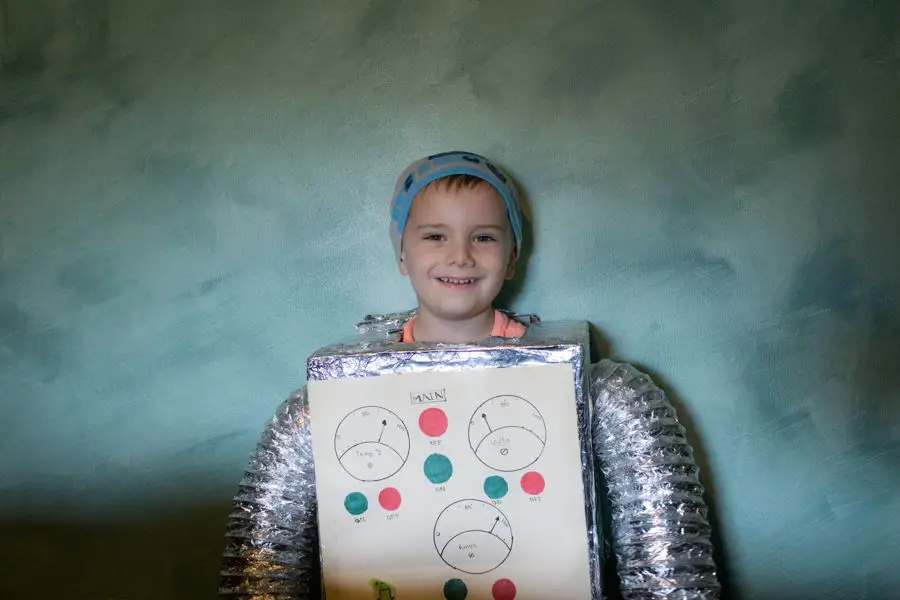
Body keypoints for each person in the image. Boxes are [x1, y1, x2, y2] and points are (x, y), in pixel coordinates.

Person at [389, 150, 528, 344]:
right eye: (435, 236)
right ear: (402, 255)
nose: (461, 257)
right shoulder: (368, 370)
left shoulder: (543, 363)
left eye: (483, 238)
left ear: (511, 258)